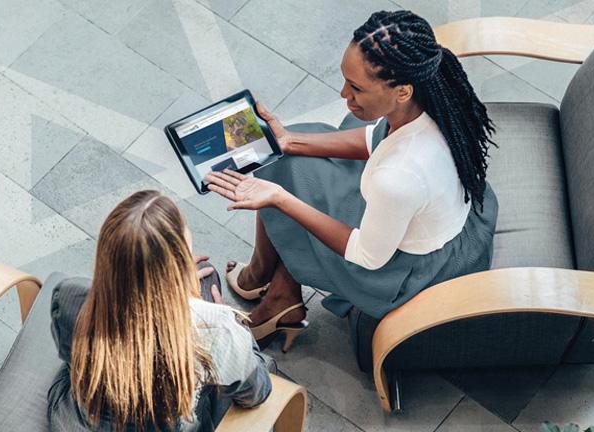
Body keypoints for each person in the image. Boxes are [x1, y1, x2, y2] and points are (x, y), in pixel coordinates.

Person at [204, 9, 499, 355]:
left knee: (284, 179)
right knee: (303, 147)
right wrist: (289, 140)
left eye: (357, 87)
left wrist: (280, 198)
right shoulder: (430, 99)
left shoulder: (400, 175)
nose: (344, 93)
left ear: (402, 91)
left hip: (403, 273)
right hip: (434, 219)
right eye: (346, 79)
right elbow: (373, 139)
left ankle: (268, 284)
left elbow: (366, 256)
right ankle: (271, 281)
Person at [46, 190, 272, 431]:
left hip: (77, 422)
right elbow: (256, 393)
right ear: (176, 267)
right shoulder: (217, 327)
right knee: (208, 276)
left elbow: (69, 356)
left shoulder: (69, 296)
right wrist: (230, 321)